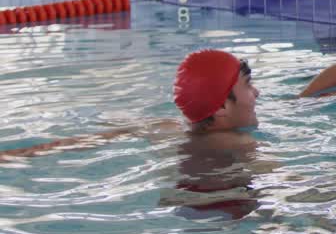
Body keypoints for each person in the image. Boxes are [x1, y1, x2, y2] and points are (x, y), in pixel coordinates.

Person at [0, 49, 259, 159]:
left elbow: (70, 144)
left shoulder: (164, 129)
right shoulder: (241, 145)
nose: (256, 92)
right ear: (222, 107)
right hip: (227, 214)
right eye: (248, 84)